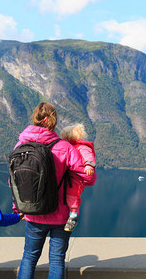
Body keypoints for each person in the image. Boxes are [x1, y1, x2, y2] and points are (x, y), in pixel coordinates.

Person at [15, 102, 96, 279]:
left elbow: (14, 180)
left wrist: (17, 207)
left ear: (35, 118)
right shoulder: (65, 148)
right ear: (53, 120)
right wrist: (87, 163)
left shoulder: (20, 146)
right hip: (61, 215)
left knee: (29, 257)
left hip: (32, 212)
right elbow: (89, 179)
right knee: (57, 259)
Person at [60, 123, 97, 232]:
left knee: (73, 196)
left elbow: (88, 156)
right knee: (67, 196)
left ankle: (73, 217)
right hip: (69, 178)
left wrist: (89, 165)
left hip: (76, 180)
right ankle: (69, 214)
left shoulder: (82, 147)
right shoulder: (71, 147)